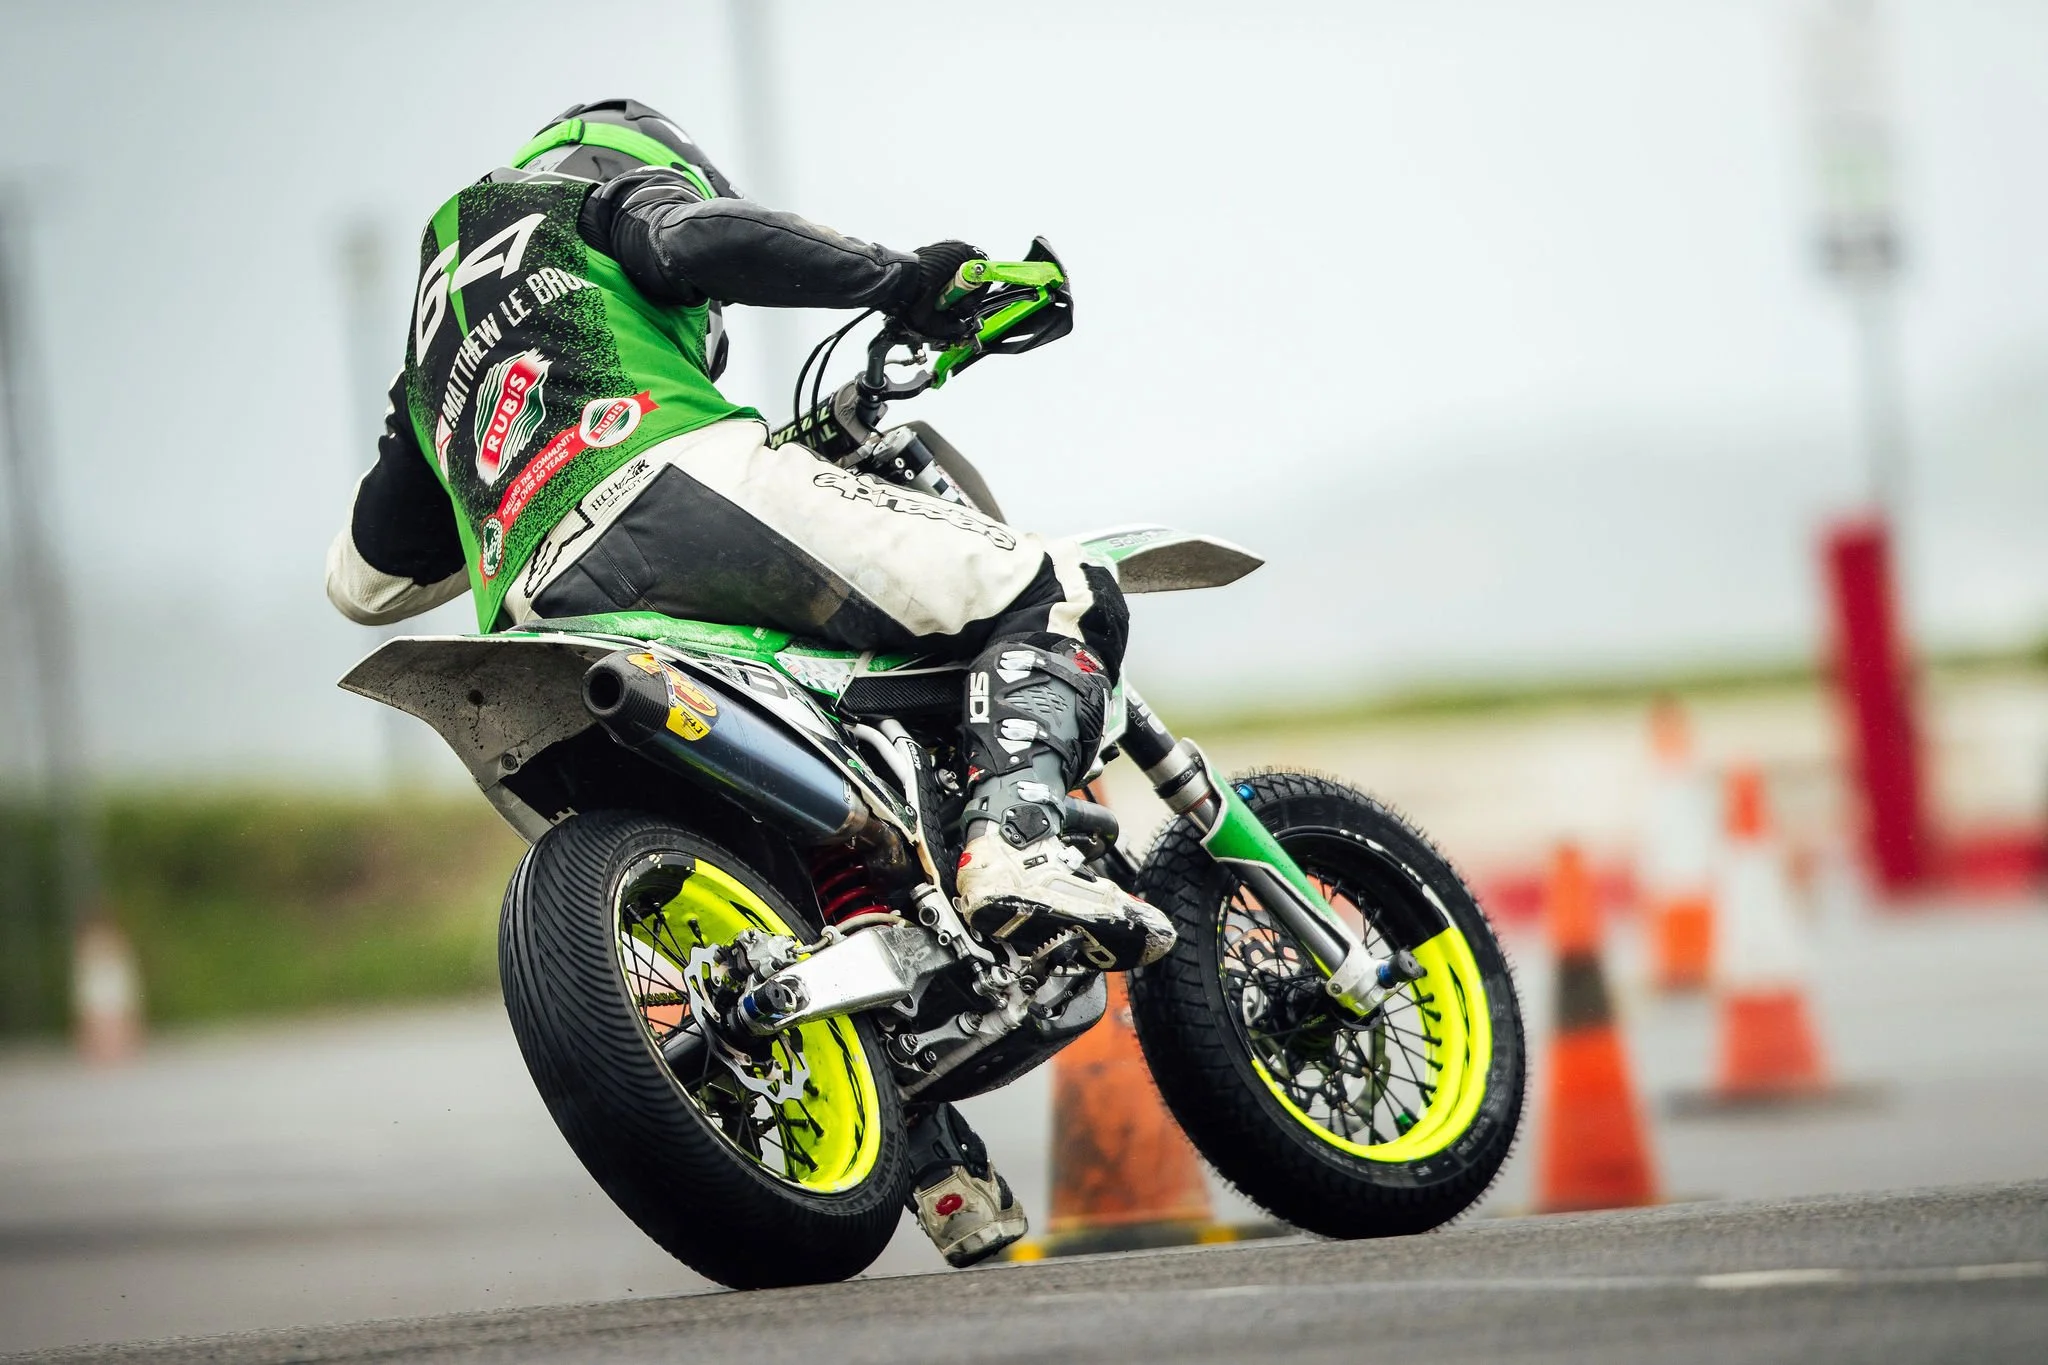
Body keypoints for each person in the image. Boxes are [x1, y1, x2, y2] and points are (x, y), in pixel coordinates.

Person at [325, 98, 1173, 1267]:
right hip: (668, 487)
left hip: (535, 609)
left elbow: (364, 579)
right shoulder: (572, 196)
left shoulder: (433, 346)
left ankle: (925, 1154)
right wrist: (904, 280)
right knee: (1055, 589)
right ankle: (1015, 845)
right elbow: (693, 242)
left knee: (793, 851)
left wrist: (497, 468)